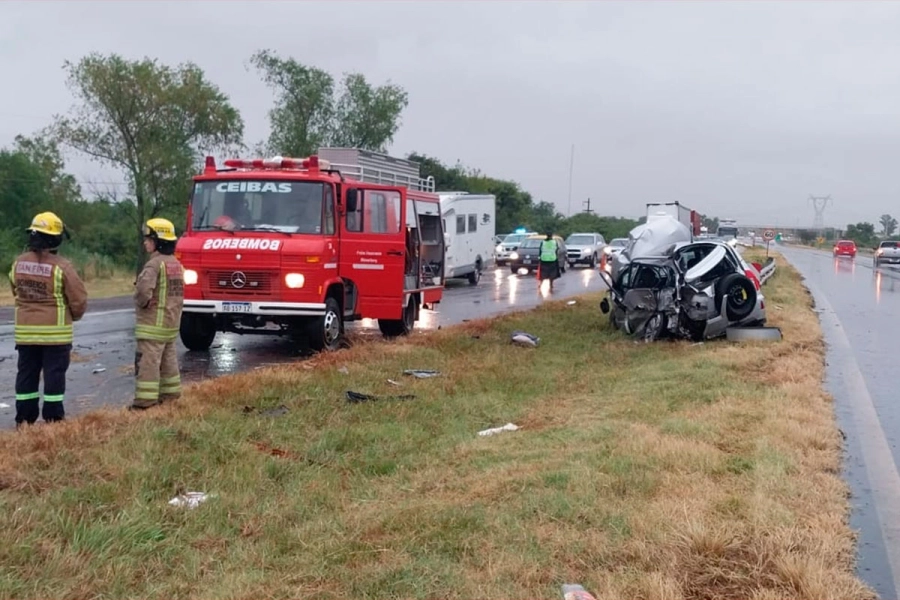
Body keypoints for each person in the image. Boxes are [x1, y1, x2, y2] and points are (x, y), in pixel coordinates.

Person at [9, 212, 87, 426]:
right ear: (55, 238)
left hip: (26, 335)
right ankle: (53, 418)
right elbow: (78, 299)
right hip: (56, 336)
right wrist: (74, 315)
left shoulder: (18, 264)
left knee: (26, 375)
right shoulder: (62, 267)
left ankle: (24, 419)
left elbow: (15, 289)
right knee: (54, 377)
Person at [132, 218, 185, 410]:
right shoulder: (176, 264)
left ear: (158, 241)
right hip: (170, 324)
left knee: (149, 362)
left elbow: (143, 291)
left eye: (148, 239)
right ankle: (171, 396)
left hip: (152, 324)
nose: (145, 242)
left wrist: (142, 301)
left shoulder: (154, 265)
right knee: (169, 359)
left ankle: (145, 402)